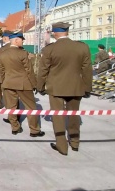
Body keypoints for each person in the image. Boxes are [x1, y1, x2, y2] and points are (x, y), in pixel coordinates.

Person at [37, 22, 92, 156]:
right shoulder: (82, 47)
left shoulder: (50, 49)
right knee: (74, 115)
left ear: (55, 33)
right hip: (75, 87)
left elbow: (43, 70)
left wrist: (40, 86)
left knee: (58, 116)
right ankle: (74, 142)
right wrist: (87, 88)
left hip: (56, 87)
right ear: (67, 32)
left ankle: (62, 146)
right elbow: (87, 70)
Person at [0, 32, 44, 137]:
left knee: (11, 107)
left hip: (8, 83)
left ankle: (15, 128)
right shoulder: (23, 53)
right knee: (31, 107)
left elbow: (1, 71)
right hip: (23, 84)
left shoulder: (2, 54)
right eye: (22, 39)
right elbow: (29, 71)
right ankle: (34, 130)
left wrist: (5, 82)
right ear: (16, 40)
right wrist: (34, 84)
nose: (23, 41)